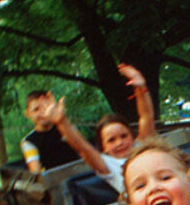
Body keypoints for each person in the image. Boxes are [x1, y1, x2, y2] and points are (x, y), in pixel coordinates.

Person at [43, 64, 155, 193]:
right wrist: (62, 122)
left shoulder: (141, 147)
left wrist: (140, 87)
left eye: (124, 136)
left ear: (132, 136)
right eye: (111, 140)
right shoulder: (109, 166)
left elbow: (146, 117)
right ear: (104, 147)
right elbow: (83, 147)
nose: (119, 143)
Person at [20, 90, 80, 172]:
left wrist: (61, 120)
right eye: (36, 109)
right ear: (28, 113)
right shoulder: (29, 142)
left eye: (45, 107)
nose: (42, 113)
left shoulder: (64, 127)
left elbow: (81, 146)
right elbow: (36, 172)